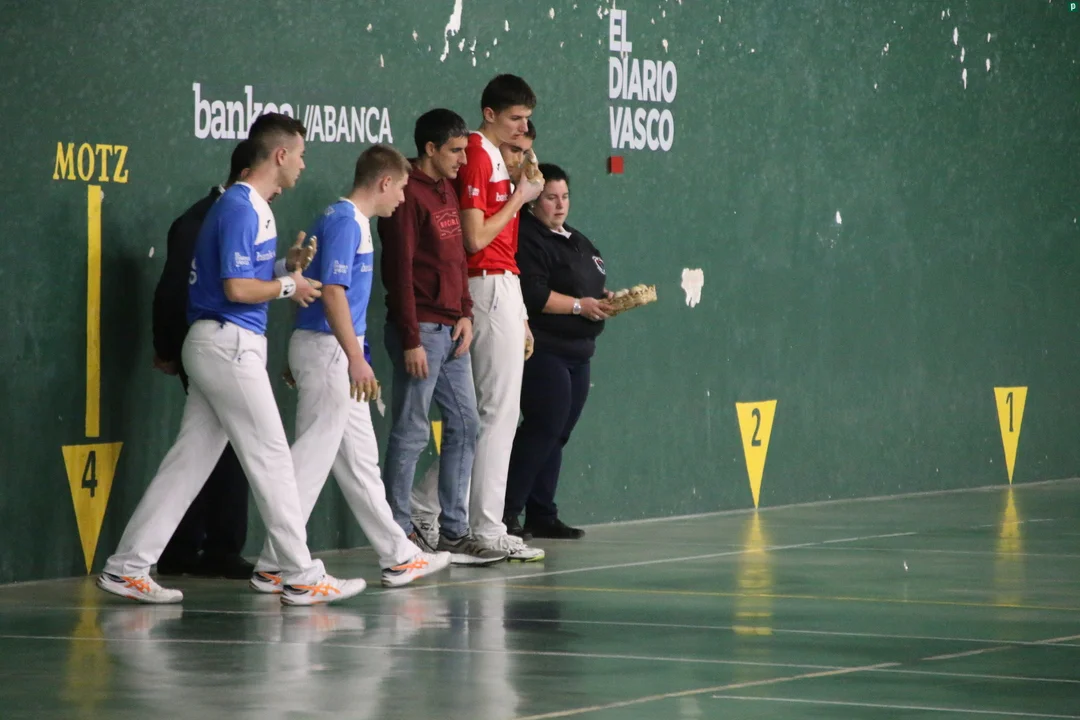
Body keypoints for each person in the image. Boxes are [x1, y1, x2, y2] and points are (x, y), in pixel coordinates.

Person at [98, 112, 366, 606]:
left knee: (188, 463)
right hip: (228, 345)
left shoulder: (247, 206)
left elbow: (241, 275)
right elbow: (237, 289)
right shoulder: (243, 207)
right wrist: (287, 285)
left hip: (219, 344)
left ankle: (127, 566)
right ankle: (301, 574)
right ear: (280, 155)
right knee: (273, 457)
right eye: (301, 155)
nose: (304, 165)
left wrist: (285, 267)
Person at [250, 144, 452, 590]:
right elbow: (333, 293)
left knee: (360, 463)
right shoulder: (347, 221)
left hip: (331, 349)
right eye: (401, 188)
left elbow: (318, 287)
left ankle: (398, 556)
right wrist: (355, 359)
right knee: (310, 460)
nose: (402, 198)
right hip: (332, 353)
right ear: (384, 182)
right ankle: (274, 564)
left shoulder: (347, 220)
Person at [378, 109, 504, 566]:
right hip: (422, 331)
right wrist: (411, 338)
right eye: (454, 151)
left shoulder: (446, 188)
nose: (462, 160)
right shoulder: (405, 193)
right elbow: (399, 272)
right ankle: (397, 533)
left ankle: (454, 532)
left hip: (453, 330)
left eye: (465, 151)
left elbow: (455, 260)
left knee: (467, 425)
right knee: (412, 430)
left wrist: (466, 312)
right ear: (429, 149)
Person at [150, 140, 256, 580]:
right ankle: (214, 548)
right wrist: (167, 348)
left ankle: (192, 548)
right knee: (235, 444)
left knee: (204, 448)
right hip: (210, 346)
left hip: (232, 346)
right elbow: (173, 287)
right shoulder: (203, 219)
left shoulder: (244, 213)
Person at [454, 74, 545, 561]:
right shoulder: (475, 153)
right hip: (486, 283)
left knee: (491, 414)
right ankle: (485, 529)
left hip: (502, 285)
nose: (522, 128)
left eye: (527, 120)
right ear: (489, 114)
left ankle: (428, 506)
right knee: (497, 413)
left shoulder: (493, 158)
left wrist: (522, 314)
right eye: (515, 118)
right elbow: (474, 239)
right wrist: (520, 197)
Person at [504, 163, 611, 540]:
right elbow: (533, 294)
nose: (560, 204)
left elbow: (588, 284)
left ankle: (541, 513)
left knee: (559, 432)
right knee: (543, 426)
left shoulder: (577, 239)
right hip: (543, 349)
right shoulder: (526, 236)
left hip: (580, 351)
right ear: (534, 201)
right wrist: (580, 306)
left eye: (564, 197)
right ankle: (505, 513)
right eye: (551, 197)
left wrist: (604, 299)